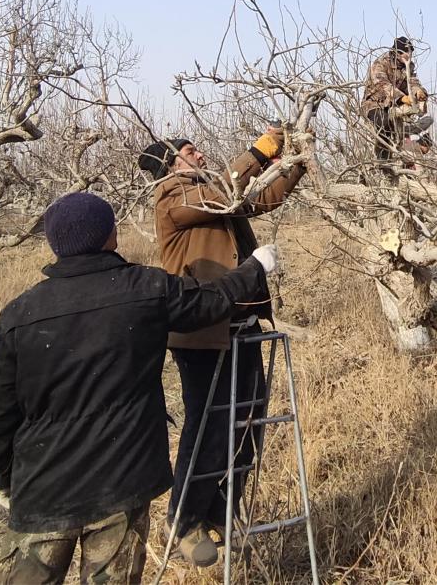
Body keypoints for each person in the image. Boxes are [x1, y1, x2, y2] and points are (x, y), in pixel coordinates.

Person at [0, 191, 279, 585]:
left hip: (42, 488)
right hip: (121, 481)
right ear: (111, 236)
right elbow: (210, 302)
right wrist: (254, 267)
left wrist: (2, 477)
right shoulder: (145, 289)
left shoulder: (20, 313)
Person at [138, 129, 307, 567]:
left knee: (247, 426)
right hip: (203, 333)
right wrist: (256, 152)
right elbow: (225, 194)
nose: (199, 152)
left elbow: (257, 201)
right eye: (189, 152)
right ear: (169, 166)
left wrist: (296, 163)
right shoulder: (173, 199)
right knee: (210, 426)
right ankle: (184, 519)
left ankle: (219, 505)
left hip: (244, 324)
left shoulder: (217, 195)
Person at [361, 36, 433, 163]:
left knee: (419, 122)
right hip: (375, 104)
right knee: (384, 123)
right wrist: (401, 97)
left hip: (395, 107)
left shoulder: (408, 67)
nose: (408, 56)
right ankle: (383, 160)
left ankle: (401, 154)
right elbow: (382, 85)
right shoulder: (381, 64)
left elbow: (412, 82)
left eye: (410, 53)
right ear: (397, 52)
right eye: (406, 53)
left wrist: (419, 92)